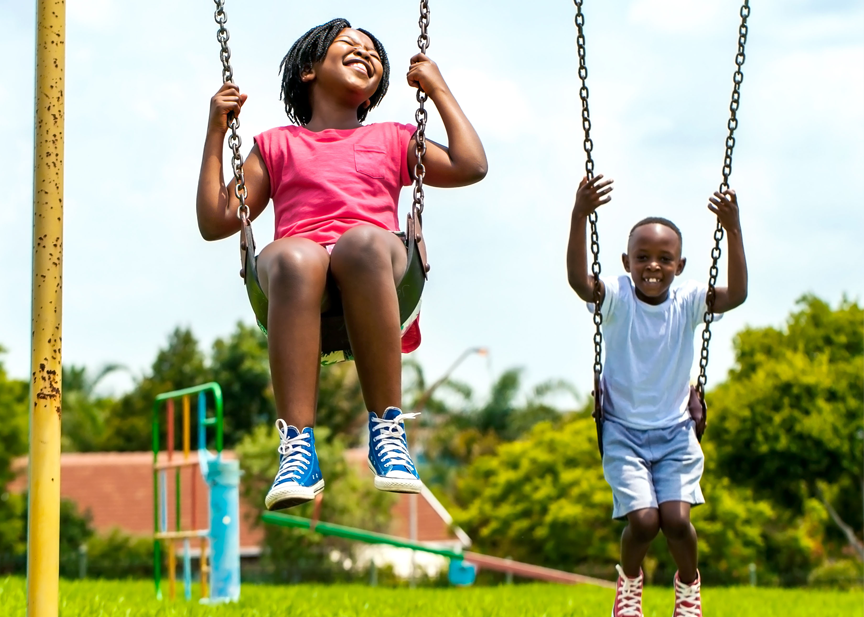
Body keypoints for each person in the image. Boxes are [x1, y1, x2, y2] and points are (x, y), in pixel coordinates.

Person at [196, 18, 487, 512]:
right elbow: (216, 220)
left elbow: (470, 165)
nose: (365, 54)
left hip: (378, 264)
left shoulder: (394, 138)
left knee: (360, 244)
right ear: (309, 70)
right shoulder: (275, 145)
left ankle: (387, 431)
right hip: (299, 278)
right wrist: (214, 131)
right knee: (294, 252)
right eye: (349, 45)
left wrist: (437, 88)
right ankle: (297, 447)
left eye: (374, 53)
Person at [566, 175, 748, 617]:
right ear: (626, 260)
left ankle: (688, 587)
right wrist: (579, 215)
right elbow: (578, 281)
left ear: (680, 265)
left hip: (674, 433)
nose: (652, 266)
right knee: (644, 522)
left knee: (677, 521)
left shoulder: (687, 301)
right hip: (624, 433)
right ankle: (629, 584)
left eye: (664, 259)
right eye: (642, 257)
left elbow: (737, 295)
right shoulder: (616, 298)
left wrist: (734, 228)